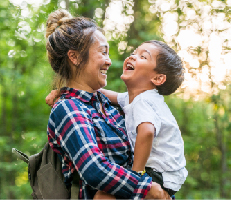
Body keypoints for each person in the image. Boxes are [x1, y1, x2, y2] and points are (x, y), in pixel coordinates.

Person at [45, 9, 170, 199]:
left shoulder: (108, 105)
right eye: (103, 52)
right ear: (75, 57)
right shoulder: (68, 109)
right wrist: (148, 189)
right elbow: (95, 169)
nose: (109, 61)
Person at [96, 40, 188, 198]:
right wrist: (75, 88)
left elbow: (146, 132)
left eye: (143, 57)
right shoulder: (138, 98)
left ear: (158, 79)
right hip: (168, 176)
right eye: (134, 53)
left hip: (161, 174)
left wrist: (136, 174)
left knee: (102, 196)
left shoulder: (143, 101)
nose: (132, 57)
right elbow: (107, 95)